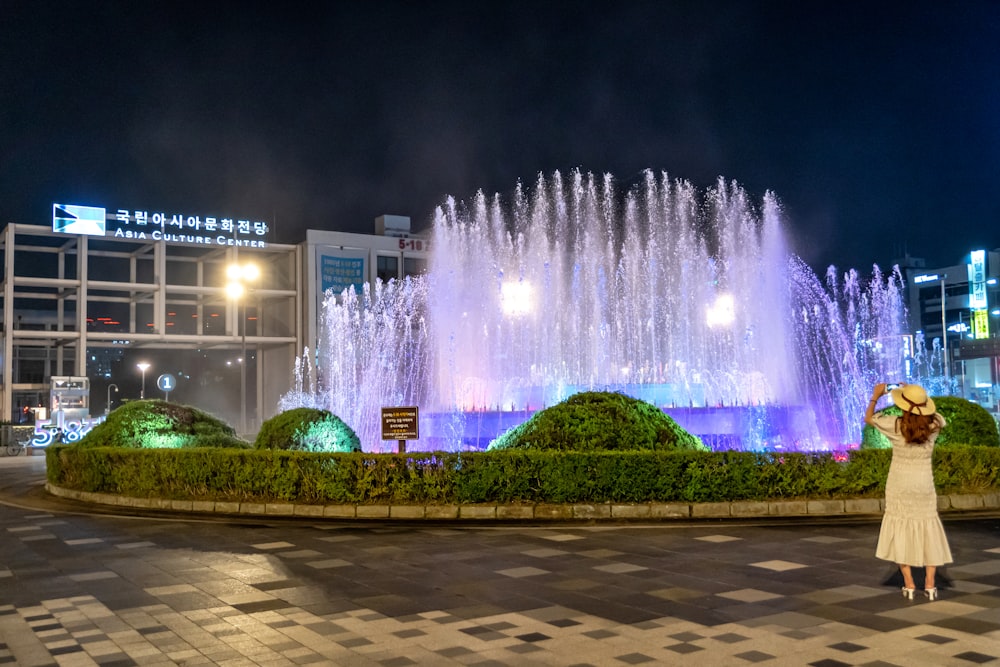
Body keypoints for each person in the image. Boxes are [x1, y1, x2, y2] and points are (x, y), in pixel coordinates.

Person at [865, 382, 952, 601]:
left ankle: (910, 584)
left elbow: (869, 418)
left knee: (900, 527)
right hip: (924, 484)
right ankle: (930, 585)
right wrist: (916, 396)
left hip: (899, 484)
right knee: (928, 528)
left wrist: (877, 396)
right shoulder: (935, 425)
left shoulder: (895, 425)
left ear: (904, 406)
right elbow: (939, 415)